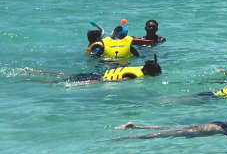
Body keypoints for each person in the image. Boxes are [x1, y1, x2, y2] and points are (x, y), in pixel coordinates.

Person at [23, 55, 162, 86]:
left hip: (99, 73)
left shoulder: (139, 68)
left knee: (65, 74)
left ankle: (34, 70)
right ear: (150, 72)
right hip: (98, 77)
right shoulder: (133, 76)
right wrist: (79, 85)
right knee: (58, 81)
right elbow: (101, 82)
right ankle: (33, 79)